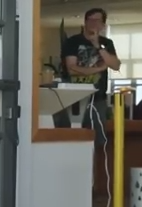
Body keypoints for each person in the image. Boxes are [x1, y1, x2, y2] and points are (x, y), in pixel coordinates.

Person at [60, 8, 122, 144]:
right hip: (73, 98)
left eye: (97, 20)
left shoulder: (107, 43)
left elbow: (115, 65)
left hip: (98, 98)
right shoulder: (72, 42)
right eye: (90, 20)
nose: (93, 23)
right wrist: (100, 68)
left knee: (98, 138)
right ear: (85, 22)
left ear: (103, 25)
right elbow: (72, 68)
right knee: (72, 136)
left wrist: (97, 46)